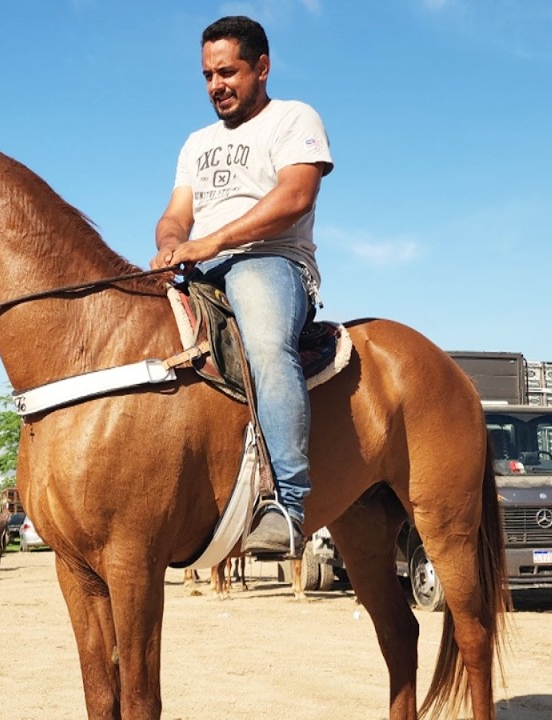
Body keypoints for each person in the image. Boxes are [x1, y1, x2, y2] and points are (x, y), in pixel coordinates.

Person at [150, 15, 333, 556]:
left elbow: (297, 196)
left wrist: (212, 243)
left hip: (271, 261)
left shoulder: (293, 118)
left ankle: (288, 505)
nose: (215, 86)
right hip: (200, 266)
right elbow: (176, 214)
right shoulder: (196, 142)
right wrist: (169, 243)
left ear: (262, 67)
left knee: (265, 344)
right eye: (207, 75)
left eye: (227, 72)